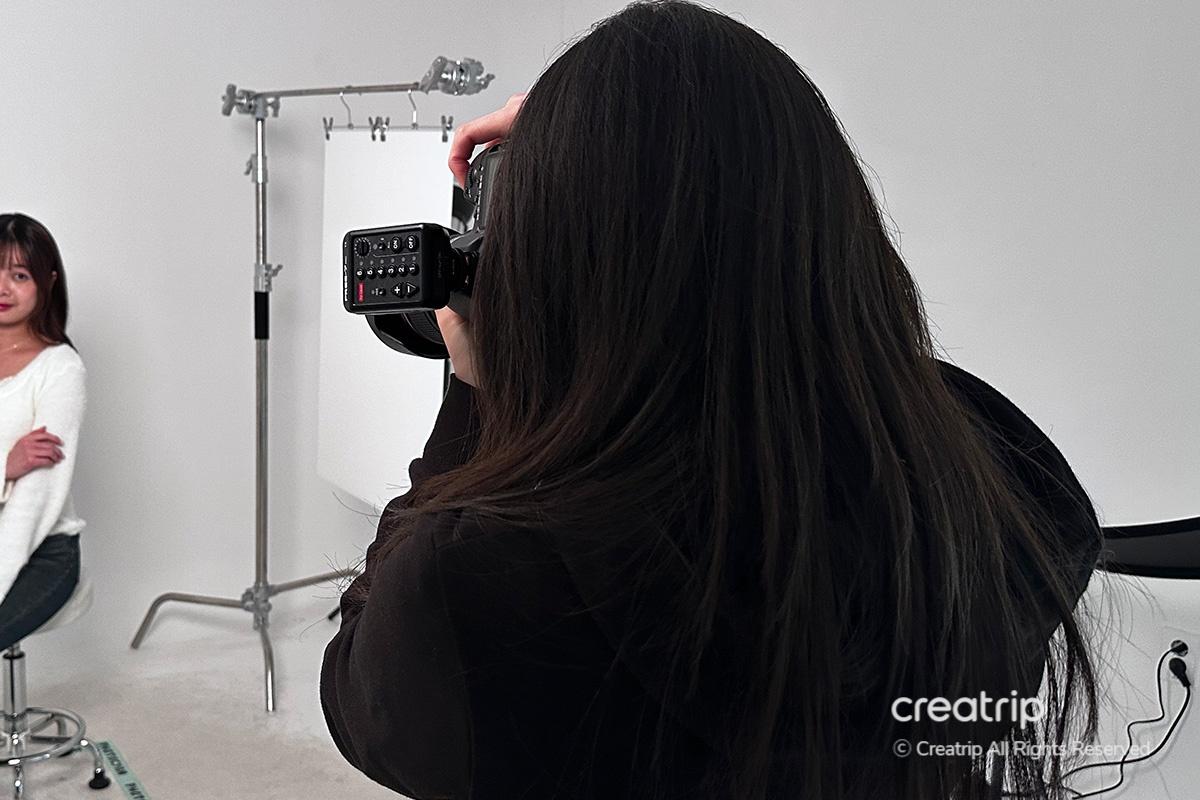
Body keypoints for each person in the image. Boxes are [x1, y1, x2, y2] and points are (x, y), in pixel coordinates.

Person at [322, 3, 1102, 798]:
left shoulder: (479, 589)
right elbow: (803, 345)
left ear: (550, 279)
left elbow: (362, 689)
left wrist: (476, 395)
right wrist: (615, 151)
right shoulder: (997, 481)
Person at [0, 213, 86, 651]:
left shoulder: (60, 369)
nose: (2, 288)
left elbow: (33, 503)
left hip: (41, 551)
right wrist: (5, 465)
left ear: (47, 282)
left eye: (19, 275)